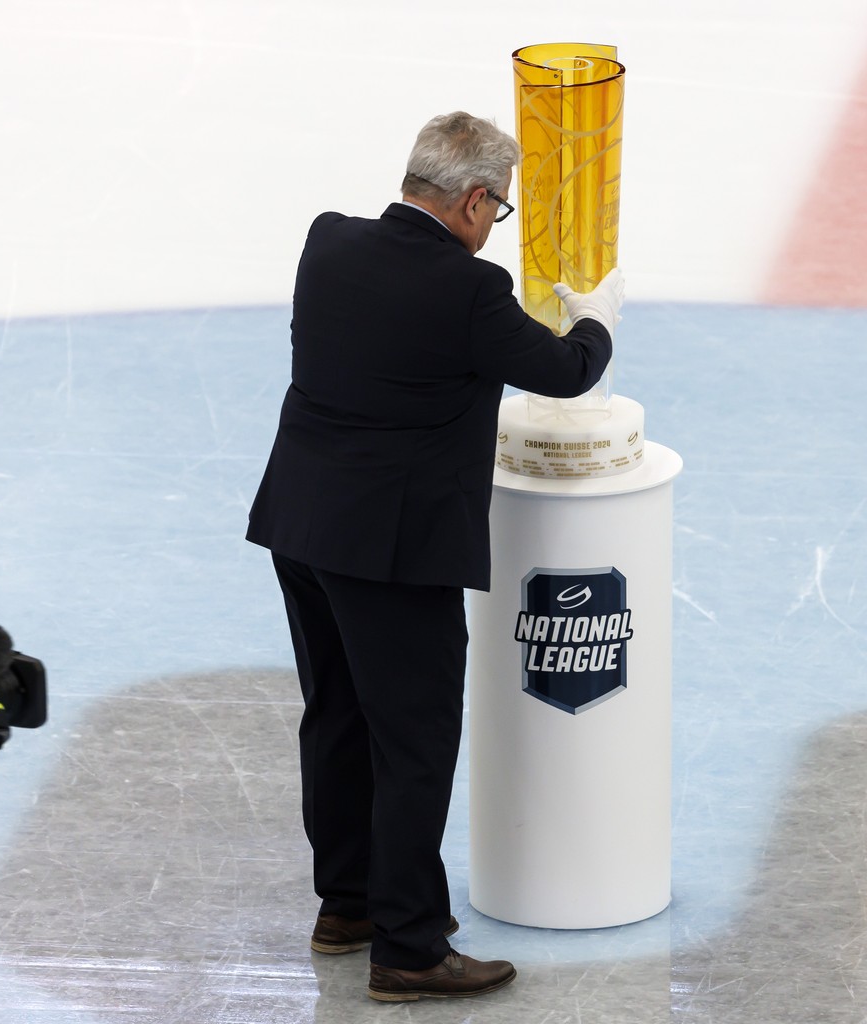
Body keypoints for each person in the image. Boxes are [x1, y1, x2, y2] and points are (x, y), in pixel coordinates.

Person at [246, 111, 624, 1002]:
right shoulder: (469, 291)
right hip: (393, 551)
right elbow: (567, 371)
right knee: (413, 743)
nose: (495, 227)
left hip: (303, 526)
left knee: (334, 714)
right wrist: (595, 321)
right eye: (498, 211)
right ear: (474, 199)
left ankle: (348, 905)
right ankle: (410, 947)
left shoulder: (328, 242)